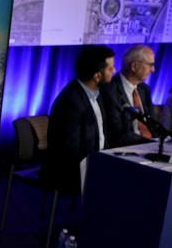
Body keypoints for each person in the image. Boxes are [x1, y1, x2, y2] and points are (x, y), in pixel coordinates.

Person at [43, 45, 115, 196]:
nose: (113, 72)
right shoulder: (71, 102)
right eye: (110, 69)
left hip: (95, 161)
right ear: (97, 76)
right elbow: (69, 151)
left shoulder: (96, 93)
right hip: (70, 169)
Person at [101, 44, 157, 147]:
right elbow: (118, 133)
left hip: (150, 146)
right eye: (150, 65)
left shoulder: (144, 89)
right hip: (127, 149)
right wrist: (149, 144)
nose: (153, 70)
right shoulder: (110, 90)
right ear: (134, 66)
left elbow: (154, 124)